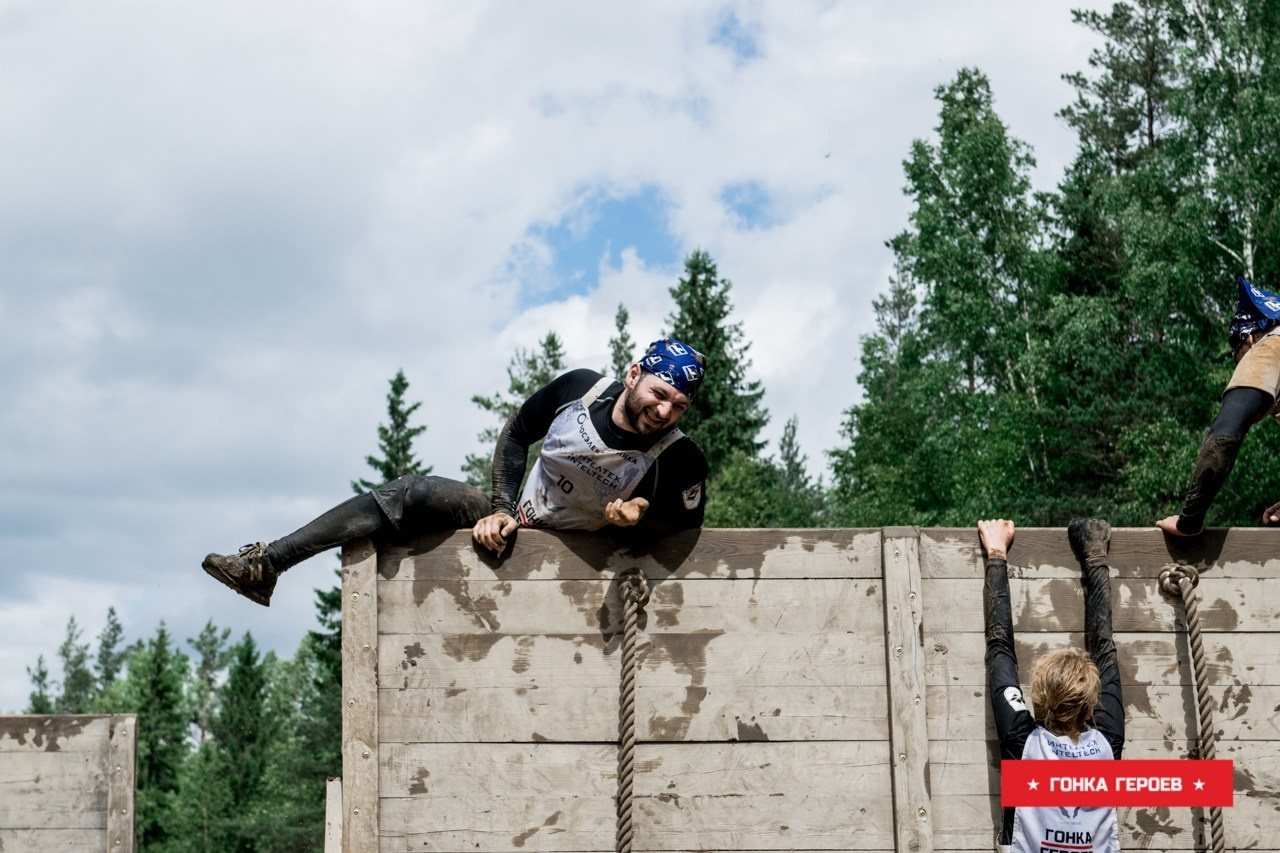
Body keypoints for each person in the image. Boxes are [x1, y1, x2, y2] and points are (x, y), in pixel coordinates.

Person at [203, 337, 709, 606]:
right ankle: (267, 565)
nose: (663, 412)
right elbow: (516, 434)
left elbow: (684, 530)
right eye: (658, 394)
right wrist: (501, 510)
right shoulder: (580, 389)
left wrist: (639, 517)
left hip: (580, 556)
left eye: (678, 406)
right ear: (634, 375)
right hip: (520, 523)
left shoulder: (679, 458)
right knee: (411, 493)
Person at [978, 517, 1124, 852]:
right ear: (1090, 703)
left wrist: (997, 553)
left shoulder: (1021, 741)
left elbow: (999, 650)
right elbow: (1104, 649)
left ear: (1038, 698)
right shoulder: (1107, 742)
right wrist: (1094, 554)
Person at [1157, 277, 1280, 536]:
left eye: (1239, 360)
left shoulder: (1269, 345)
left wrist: (1188, 520)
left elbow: (1224, 439)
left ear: (1249, 338)